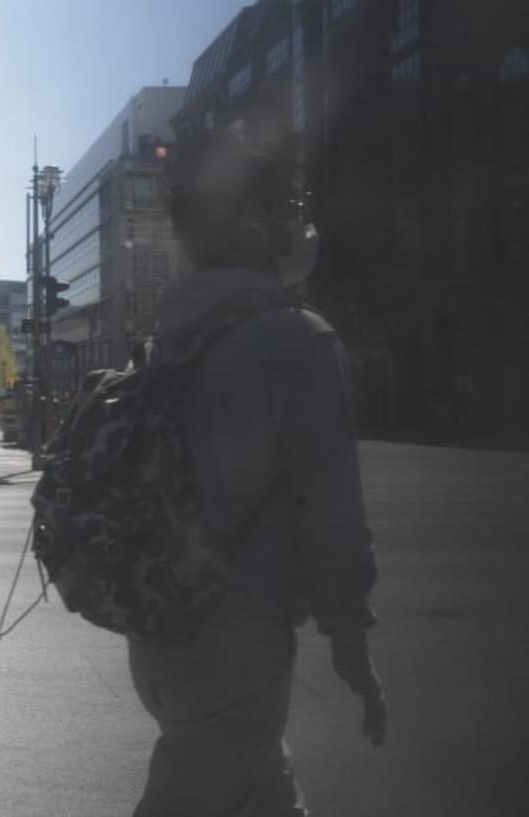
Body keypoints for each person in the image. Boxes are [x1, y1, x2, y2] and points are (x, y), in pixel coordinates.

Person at [123, 131, 385, 817]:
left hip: (157, 631)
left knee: (234, 790)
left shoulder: (171, 337)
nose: (301, 219)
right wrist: (350, 637)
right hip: (235, 638)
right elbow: (330, 508)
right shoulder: (298, 340)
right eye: (289, 201)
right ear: (254, 220)